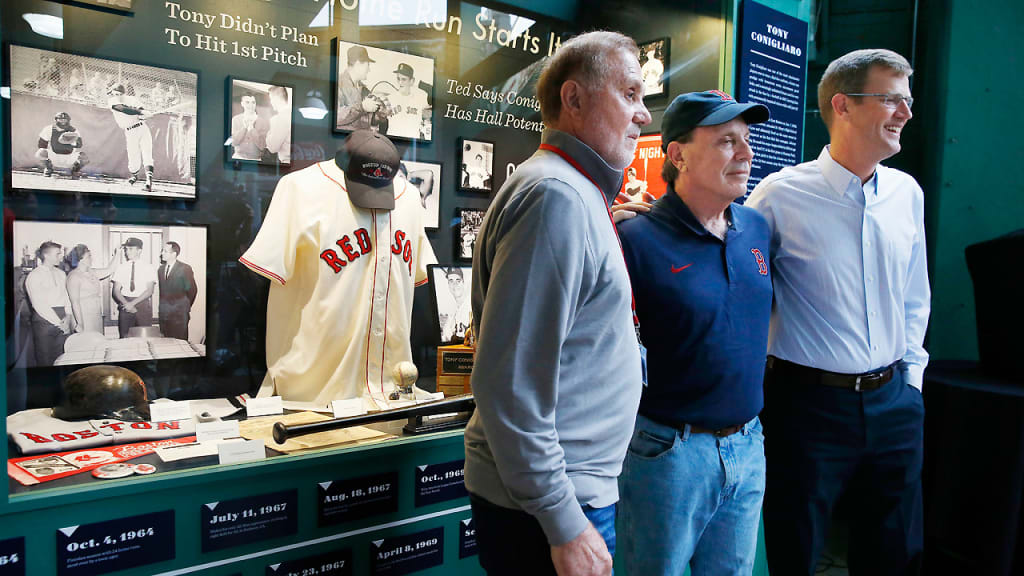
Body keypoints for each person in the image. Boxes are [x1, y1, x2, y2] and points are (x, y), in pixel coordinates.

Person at [465, 30, 651, 576]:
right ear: (573, 99)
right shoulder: (558, 197)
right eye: (630, 94)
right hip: (552, 505)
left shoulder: (574, 191)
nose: (643, 114)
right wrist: (562, 520)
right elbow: (510, 384)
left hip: (563, 491)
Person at [746, 48, 929, 576]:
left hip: (894, 402)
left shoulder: (907, 193)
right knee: (796, 549)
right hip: (806, 409)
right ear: (843, 106)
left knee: (895, 551)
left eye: (908, 100)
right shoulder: (779, 196)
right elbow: (742, 289)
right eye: (892, 99)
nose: (906, 113)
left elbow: (915, 296)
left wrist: (911, 382)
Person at [616, 90, 772, 575]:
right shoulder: (634, 240)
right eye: (727, 141)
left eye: (746, 140)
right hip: (668, 453)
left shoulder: (757, 228)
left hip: (748, 447)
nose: (746, 154)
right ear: (678, 154)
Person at [24, 241, 71, 365]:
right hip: (43, 321)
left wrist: (68, 317)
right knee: (45, 360)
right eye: (58, 254)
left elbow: (66, 297)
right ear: (46, 255)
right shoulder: (34, 275)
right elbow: (38, 304)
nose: (61, 256)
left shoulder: (61, 274)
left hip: (63, 319)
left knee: (62, 359)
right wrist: (59, 322)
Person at [107, 83, 154, 192]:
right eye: (115, 93)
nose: (117, 95)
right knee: (133, 156)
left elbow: (141, 109)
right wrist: (140, 112)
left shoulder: (132, 99)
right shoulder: (112, 101)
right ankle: (134, 176)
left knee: (147, 152)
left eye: (120, 93)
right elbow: (123, 109)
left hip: (142, 128)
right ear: (112, 92)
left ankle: (148, 181)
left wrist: (144, 114)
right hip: (130, 131)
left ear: (124, 93)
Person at [65, 244, 120, 335]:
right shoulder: (73, 276)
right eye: (89, 256)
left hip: (95, 313)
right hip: (83, 315)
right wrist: (80, 323)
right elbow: (75, 302)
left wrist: (118, 253)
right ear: (81, 259)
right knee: (85, 342)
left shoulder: (92, 272)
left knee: (97, 342)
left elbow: (110, 270)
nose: (91, 258)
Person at [111, 237, 157, 338]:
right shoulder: (121, 267)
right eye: (126, 249)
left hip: (142, 304)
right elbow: (116, 290)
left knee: (145, 337)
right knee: (125, 337)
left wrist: (132, 304)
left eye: (131, 249)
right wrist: (127, 304)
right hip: (125, 304)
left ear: (139, 250)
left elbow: (149, 290)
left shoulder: (148, 267)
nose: (127, 252)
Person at [157, 241, 198, 341]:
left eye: (165, 251)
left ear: (174, 254)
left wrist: (183, 306)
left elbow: (192, 290)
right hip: (164, 315)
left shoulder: (185, 268)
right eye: (162, 250)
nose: (162, 253)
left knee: (180, 344)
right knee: (165, 344)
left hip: (179, 315)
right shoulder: (160, 269)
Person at [336, 45, 381, 132]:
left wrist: (378, 116)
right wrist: (362, 107)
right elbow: (336, 117)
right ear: (358, 64)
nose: (369, 70)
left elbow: (365, 123)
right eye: (368, 65)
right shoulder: (338, 83)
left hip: (362, 141)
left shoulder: (364, 90)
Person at [36, 112, 88, 180]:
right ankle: (48, 168)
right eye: (60, 119)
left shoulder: (73, 130)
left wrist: (70, 141)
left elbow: (79, 145)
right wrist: (48, 157)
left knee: (83, 157)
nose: (63, 121)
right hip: (54, 156)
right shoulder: (49, 129)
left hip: (69, 158)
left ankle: (75, 171)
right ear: (56, 119)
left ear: (68, 120)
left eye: (65, 119)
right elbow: (41, 144)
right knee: (41, 152)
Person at [386, 62, 430, 140]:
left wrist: (420, 84)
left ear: (412, 81)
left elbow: (437, 94)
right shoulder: (389, 98)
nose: (400, 82)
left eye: (404, 79)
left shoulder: (420, 99)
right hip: (393, 142)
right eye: (398, 79)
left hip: (412, 143)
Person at [231, 94, 268, 161]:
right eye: (247, 102)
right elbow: (233, 142)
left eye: (253, 102)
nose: (251, 105)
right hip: (238, 157)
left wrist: (252, 129)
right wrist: (244, 128)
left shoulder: (263, 122)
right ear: (242, 104)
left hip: (255, 160)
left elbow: (263, 145)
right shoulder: (235, 119)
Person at [265, 86, 291, 164]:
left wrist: (269, 132)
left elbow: (272, 148)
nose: (271, 102)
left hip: (287, 164)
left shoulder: (278, 119)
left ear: (276, 98)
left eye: (271, 99)